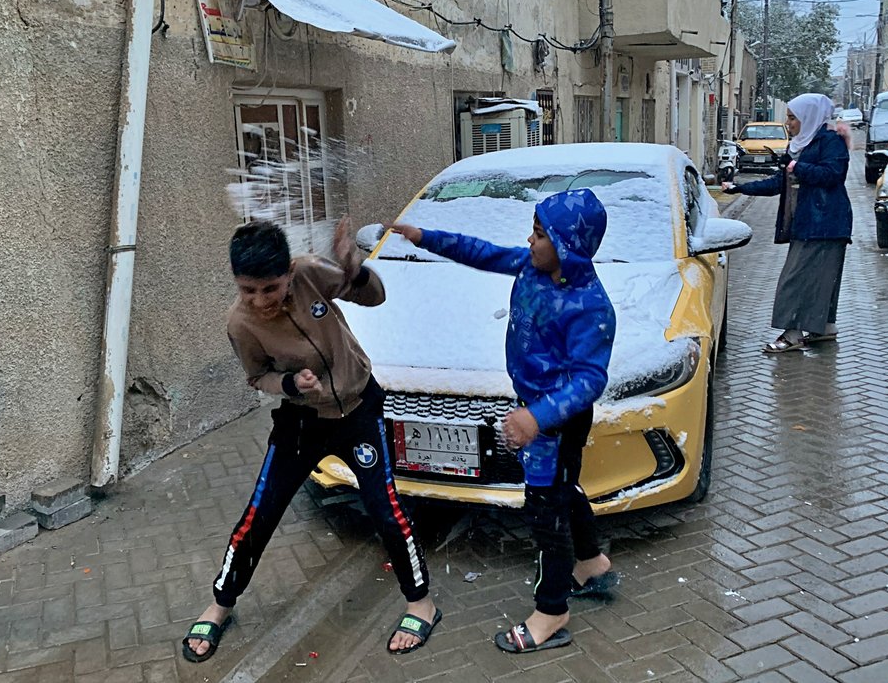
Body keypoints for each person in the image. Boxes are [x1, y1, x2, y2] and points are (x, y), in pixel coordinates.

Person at [181, 218, 439, 662]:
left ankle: (421, 604)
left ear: (288, 273)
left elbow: (374, 296)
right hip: (301, 422)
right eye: (248, 290)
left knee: (385, 508)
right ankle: (220, 604)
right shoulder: (240, 323)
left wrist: (353, 270)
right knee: (259, 514)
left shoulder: (310, 273)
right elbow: (257, 376)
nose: (260, 300)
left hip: (359, 411)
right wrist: (289, 384)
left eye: (270, 287)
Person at [391, 188, 617, 654]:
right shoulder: (531, 267)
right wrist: (425, 237)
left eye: (539, 234)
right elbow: (482, 252)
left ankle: (552, 612)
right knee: (563, 490)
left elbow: (590, 379)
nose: (530, 241)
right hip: (534, 407)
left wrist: (537, 417)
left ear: (568, 245)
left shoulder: (590, 306)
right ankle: (591, 563)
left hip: (557, 418)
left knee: (546, 511)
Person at [723, 93, 852, 353]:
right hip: (809, 222)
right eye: (789, 118)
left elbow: (833, 175)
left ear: (809, 117)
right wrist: (740, 188)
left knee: (795, 279)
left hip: (825, 222)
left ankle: (793, 333)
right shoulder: (802, 145)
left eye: (793, 118)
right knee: (821, 278)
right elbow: (779, 183)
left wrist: (796, 166)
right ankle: (825, 327)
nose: (789, 123)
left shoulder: (830, 141)